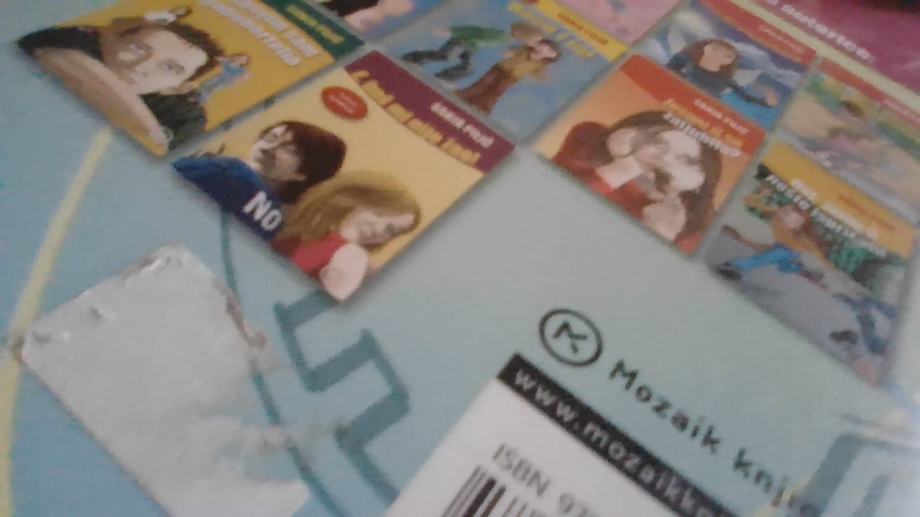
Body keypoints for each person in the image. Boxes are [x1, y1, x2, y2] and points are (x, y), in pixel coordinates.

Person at [18, 12, 224, 148]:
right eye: (138, 49)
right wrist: (151, 131)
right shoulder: (77, 39)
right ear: (112, 40)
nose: (142, 66)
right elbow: (60, 59)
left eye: (170, 68)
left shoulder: (185, 117)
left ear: (179, 88)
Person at [552, 111, 721, 250]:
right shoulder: (589, 142)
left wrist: (659, 237)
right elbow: (554, 202)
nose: (665, 159)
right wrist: (622, 169)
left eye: (687, 161)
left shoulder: (695, 224)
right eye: (657, 142)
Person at [173, 121, 346, 240]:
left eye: (289, 150)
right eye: (269, 138)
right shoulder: (280, 229)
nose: (268, 148)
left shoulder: (229, 171)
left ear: (303, 173)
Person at [274, 171, 421, 301]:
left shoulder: (354, 257)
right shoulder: (304, 227)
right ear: (360, 201)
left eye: (391, 230)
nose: (378, 228)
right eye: (378, 214)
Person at [715, 204, 832, 284]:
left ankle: (737, 267)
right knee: (783, 267)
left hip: (789, 250)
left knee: (765, 259)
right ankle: (803, 270)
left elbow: (805, 240)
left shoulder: (801, 229)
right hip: (786, 248)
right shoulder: (789, 217)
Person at [455, 37, 562, 115]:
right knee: (484, 82)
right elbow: (513, 49)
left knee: (498, 91)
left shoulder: (541, 64)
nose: (543, 50)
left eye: (549, 50)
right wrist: (510, 52)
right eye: (542, 46)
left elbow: (541, 74)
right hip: (500, 68)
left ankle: (482, 107)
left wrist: (544, 78)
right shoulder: (524, 49)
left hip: (513, 77)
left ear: (552, 55)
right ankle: (466, 95)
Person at [402, 23, 542, 81]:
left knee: (467, 68)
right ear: (519, 33)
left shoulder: (507, 40)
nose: (531, 43)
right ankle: (413, 59)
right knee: (445, 55)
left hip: (470, 48)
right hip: (462, 42)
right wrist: (452, 31)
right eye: (530, 39)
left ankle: (442, 78)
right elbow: (475, 31)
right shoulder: (500, 35)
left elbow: (517, 51)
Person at [667, 39, 779, 108]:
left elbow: (746, 96)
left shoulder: (726, 79)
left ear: (729, 61)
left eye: (728, 56)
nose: (718, 55)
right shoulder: (685, 59)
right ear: (706, 47)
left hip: (699, 108)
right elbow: (666, 69)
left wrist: (765, 103)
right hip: (673, 97)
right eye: (715, 49)